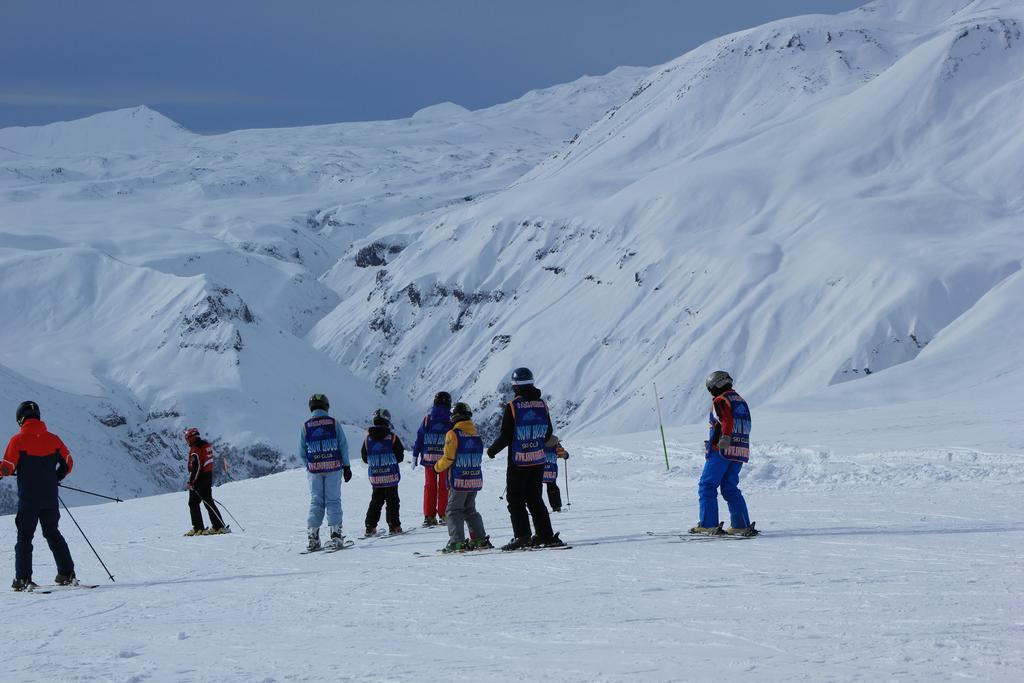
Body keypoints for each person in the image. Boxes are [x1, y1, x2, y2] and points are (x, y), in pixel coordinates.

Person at [0, 401, 77, 590]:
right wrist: (55, 478)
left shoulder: (17, 440)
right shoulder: (54, 439)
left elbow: (7, 468)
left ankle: (23, 579)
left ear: (21, 419)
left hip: (29, 499)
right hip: (50, 497)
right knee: (52, 532)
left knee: (25, 536)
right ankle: (67, 573)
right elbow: (68, 463)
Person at [486, 367, 564, 550]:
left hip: (518, 461)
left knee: (515, 499)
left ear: (515, 387)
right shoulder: (542, 405)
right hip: (538, 459)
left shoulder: (513, 407)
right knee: (535, 498)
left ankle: (522, 536)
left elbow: (506, 435)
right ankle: (545, 535)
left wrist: (492, 450)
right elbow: (548, 434)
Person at [690, 371, 758, 536]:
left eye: (710, 388)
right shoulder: (740, 401)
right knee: (730, 488)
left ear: (716, 385)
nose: (711, 392)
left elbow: (726, 420)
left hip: (721, 451)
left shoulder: (720, 400)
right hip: (740, 450)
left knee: (707, 486)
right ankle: (741, 524)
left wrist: (724, 438)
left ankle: (708, 524)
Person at [433, 402, 492, 552]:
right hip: (474, 479)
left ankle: (457, 541)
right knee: (470, 509)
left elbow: (449, 458)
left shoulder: (453, 434)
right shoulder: (476, 434)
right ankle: (479, 539)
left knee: (453, 510)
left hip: (459, 479)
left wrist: (436, 467)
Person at [301, 393, 352, 551]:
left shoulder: (306, 426)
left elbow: (302, 451)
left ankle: (313, 537)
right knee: (333, 500)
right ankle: (336, 535)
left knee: (316, 501)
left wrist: (310, 466)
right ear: (326, 406)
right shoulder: (333, 423)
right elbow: (343, 445)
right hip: (333, 467)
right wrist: (346, 466)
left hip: (315, 470)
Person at [361, 408, 405, 535]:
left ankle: (370, 526)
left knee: (376, 500)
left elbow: (364, 457)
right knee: (393, 501)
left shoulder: (367, 439)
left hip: (376, 477)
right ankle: (394, 526)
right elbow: (400, 457)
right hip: (391, 476)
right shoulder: (392, 437)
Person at [412, 391, 452, 527]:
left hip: (429, 459)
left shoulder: (427, 420)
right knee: (444, 487)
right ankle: (444, 514)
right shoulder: (450, 421)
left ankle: (429, 516)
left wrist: (415, 455)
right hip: (444, 461)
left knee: (429, 487)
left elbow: (419, 438)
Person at [183, 427, 228, 536]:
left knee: (193, 503)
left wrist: (192, 481)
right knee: (208, 502)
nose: (187, 441)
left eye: (187, 438)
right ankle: (219, 526)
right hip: (208, 477)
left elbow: (197, 466)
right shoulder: (206, 445)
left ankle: (198, 528)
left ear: (191, 438)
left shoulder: (195, 449)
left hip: (199, 479)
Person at [542, 435, 570, 513]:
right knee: (552, 487)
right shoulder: (555, 442)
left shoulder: (537, 440)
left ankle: (536, 508)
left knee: (536, 488)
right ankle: (556, 507)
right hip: (551, 472)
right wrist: (566, 455)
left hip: (539, 471)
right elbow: (562, 453)